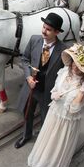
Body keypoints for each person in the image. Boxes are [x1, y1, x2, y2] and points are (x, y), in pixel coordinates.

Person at [28, 45, 84, 167]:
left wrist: (83, 90)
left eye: (80, 67)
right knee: (47, 139)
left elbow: (74, 109)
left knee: (57, 144)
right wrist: (55, 94)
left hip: (67, 120)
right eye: (74, 63)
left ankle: (51, 166)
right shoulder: (63, 72)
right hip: (54, 114)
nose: (75, 67)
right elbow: (54, 89)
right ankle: (41, 161)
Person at [15, 12, 67, 149]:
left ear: (56, 32)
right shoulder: (34, 40)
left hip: (47, 91)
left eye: (48, 29)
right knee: (27, 112)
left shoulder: (63, 50)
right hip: (31, 88)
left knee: (46, 118)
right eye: (44, 27)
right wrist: (28, 77)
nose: (44, 31)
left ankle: (43, 141)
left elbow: (65, 72)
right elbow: (25, 59)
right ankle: (26, 135)